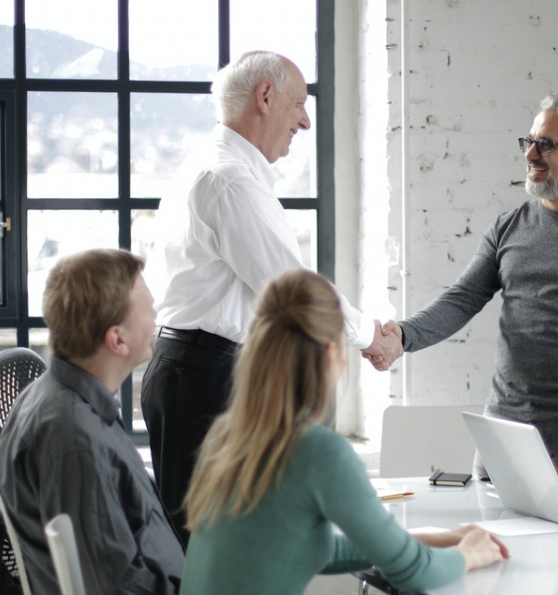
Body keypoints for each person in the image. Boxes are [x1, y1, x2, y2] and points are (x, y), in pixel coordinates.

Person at [141, 50, 400, 538]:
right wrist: (370, 336)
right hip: (201, 380)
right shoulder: (229, 179)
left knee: (219, 542)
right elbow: (291, 288)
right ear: (265, 97)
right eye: (299, 104)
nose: (304, 120)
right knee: (207, 549)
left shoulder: (216, 165)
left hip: (199, 372)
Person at [177, 268, 507, 595]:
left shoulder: (226, 435)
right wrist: (468, 555)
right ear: (333, 352)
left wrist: (442, 539)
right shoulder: (317, 451)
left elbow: (312, 549)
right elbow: (411, 572)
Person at [369, 93, 558, 476]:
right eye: (529, 141)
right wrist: (402, 334)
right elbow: (462, 298)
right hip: (503, 424)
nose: (531, 154)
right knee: (494, 536)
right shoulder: (508, 226)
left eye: (546, 144)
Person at [0, 249, 184, 595]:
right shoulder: (73, 438)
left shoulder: (58, 397)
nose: (157, 315)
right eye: (148, 307)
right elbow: (120, 588)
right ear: (117, 339)